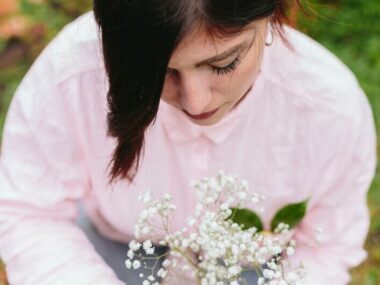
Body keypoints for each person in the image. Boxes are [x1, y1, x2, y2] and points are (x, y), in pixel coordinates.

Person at [0, 0, 377, 284]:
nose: (196, 102)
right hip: (112, 252)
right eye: (160, 72)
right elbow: (29, 213)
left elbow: (326, 246)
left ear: (270, 15)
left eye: (224, 63)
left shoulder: (329, 109)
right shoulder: (72, 77)